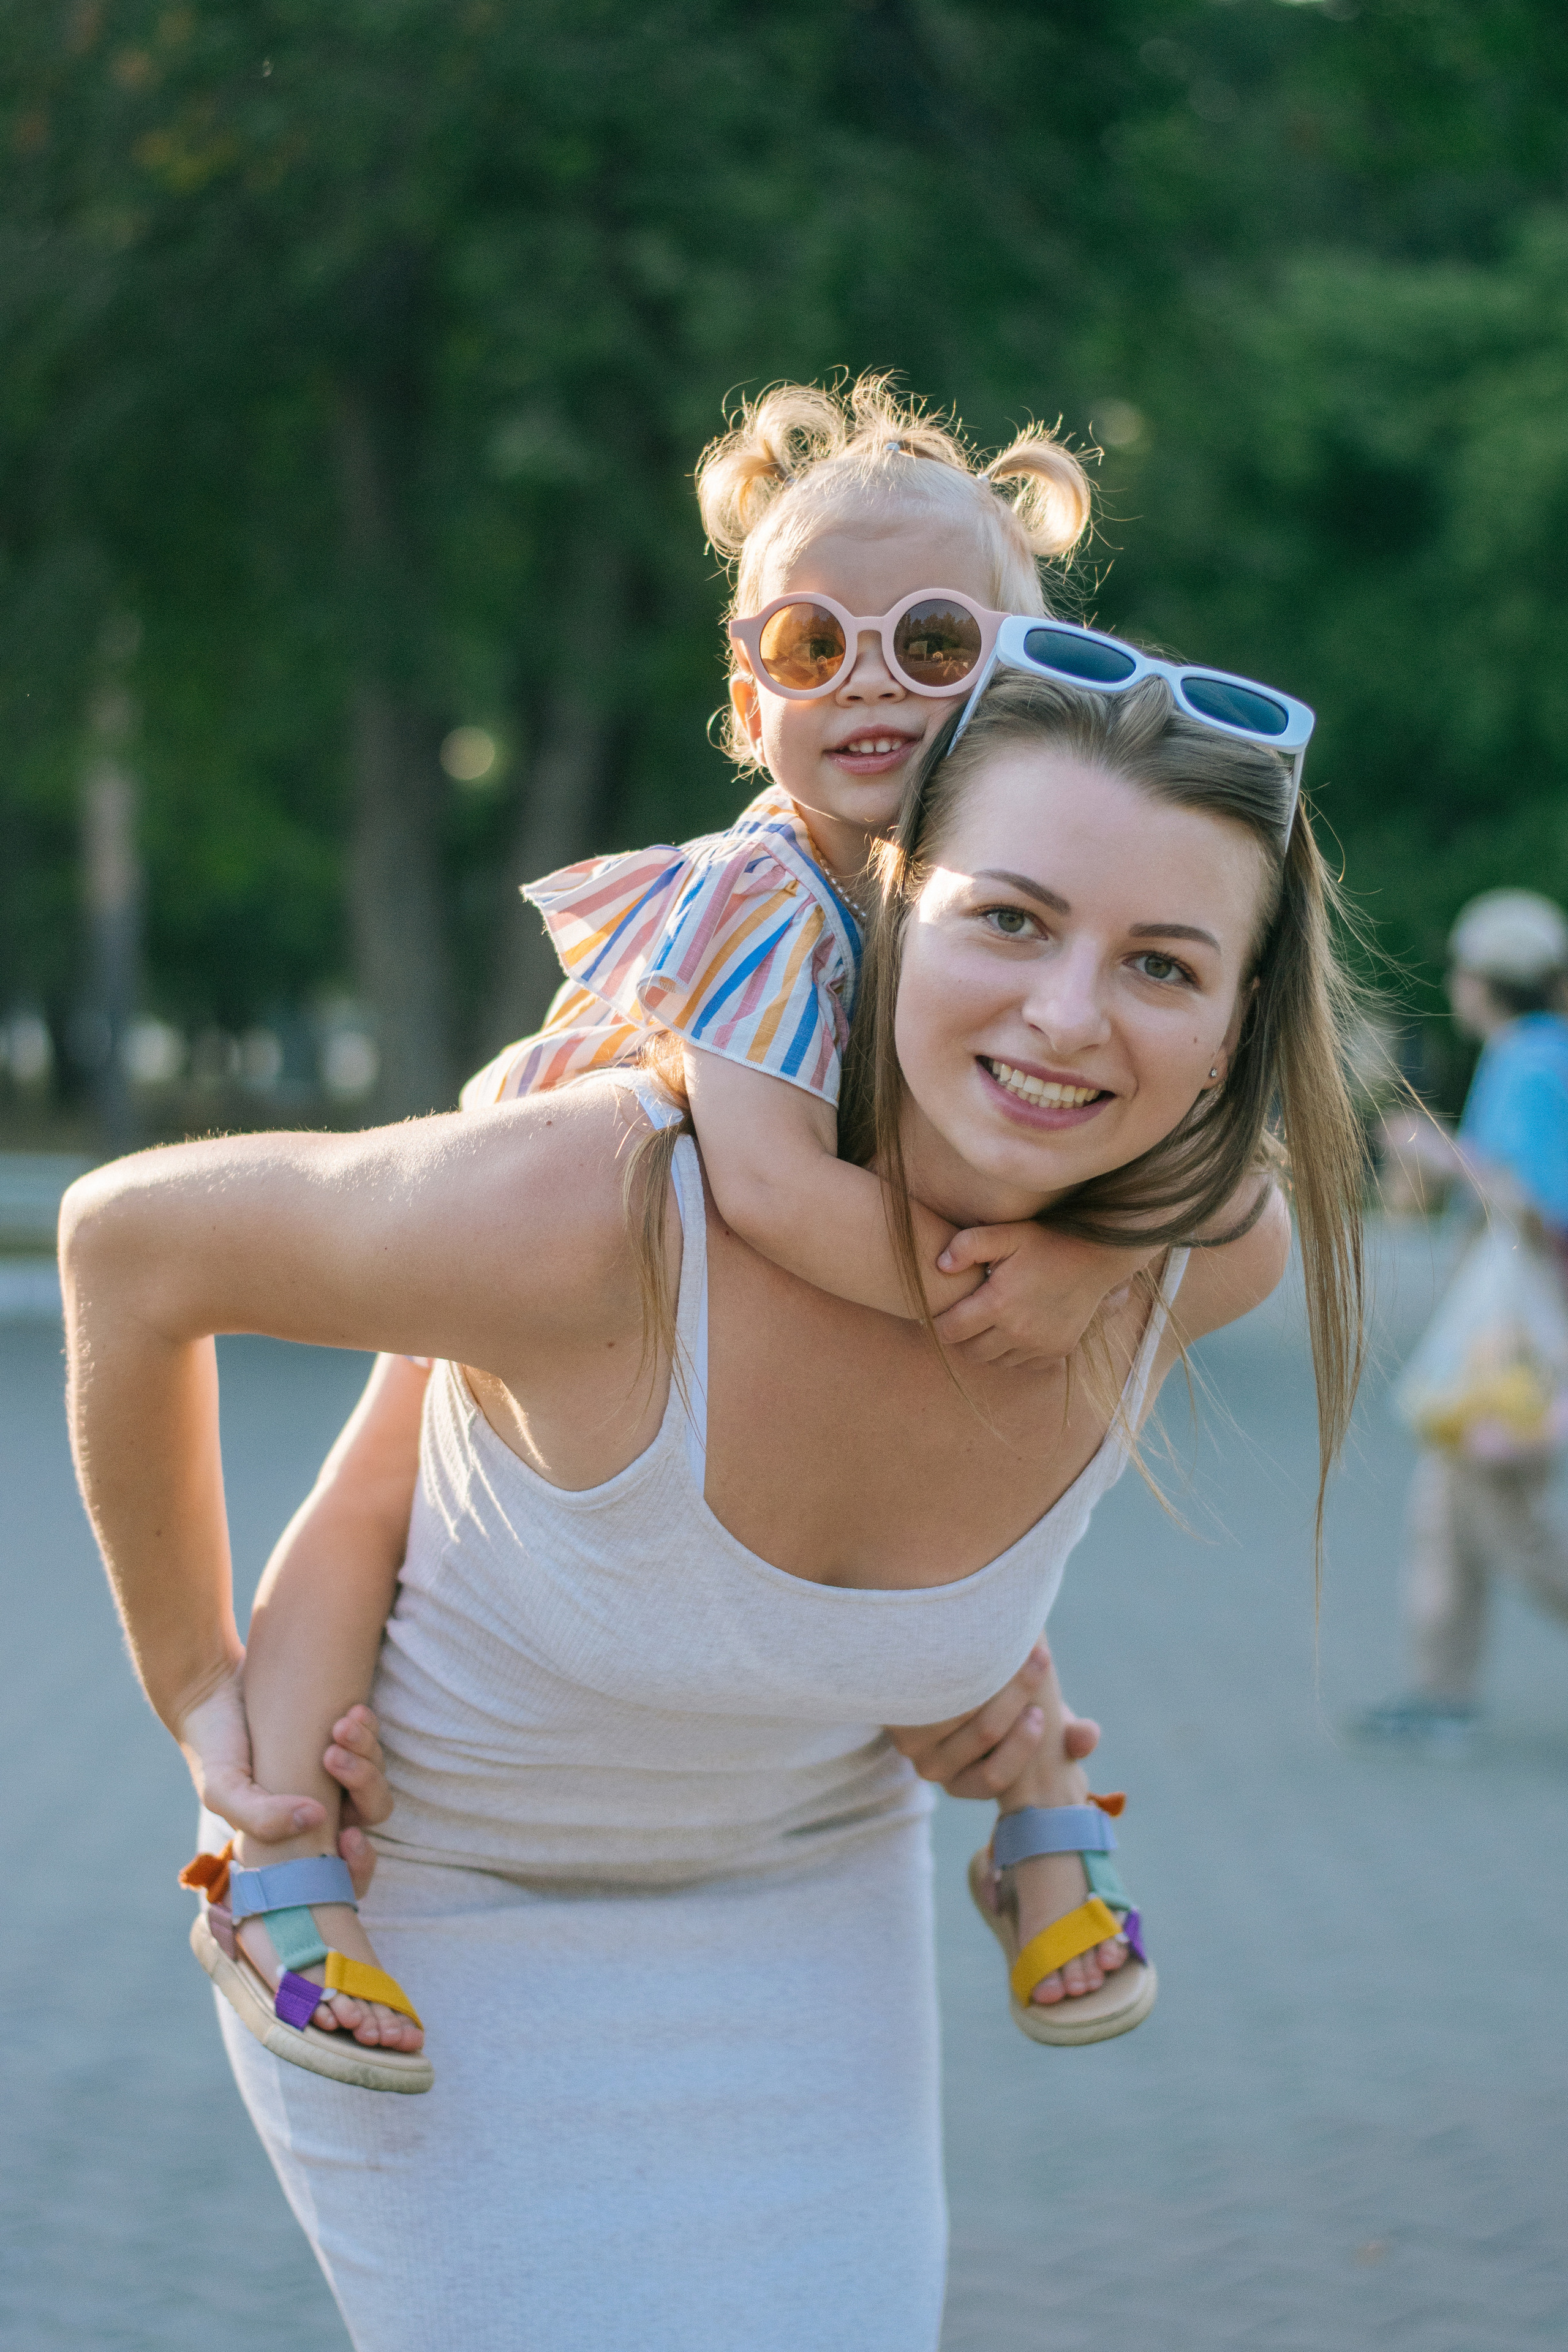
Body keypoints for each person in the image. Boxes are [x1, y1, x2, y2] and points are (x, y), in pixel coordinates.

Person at [62, 638, 1364, 2351]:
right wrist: (201, 1699)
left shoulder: (1190, 1271)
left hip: (812, 1911)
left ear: (1236, 1028)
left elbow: (1234, 1211)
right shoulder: (598, 1206)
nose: (1067, 1017)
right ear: (891, 909)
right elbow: (128, 1247)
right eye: (1010, 920)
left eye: (1164, 965)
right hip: (426, 1930)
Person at [170, 377, 1178, 2071]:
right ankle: (273, 1859)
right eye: (810, 644)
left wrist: (1093, 1254)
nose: (869, 677)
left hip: (754, 1290)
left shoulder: (1007, 915)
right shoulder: (767, 894)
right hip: (555, 1246)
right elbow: (775, 1184)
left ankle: (1040, 1808)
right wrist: (1000, 1293)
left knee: (975, 1499)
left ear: (1033, 691)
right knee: (375, 1490)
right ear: (745, 689)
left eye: (934, 643)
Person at [1359, 888, 1568, 1749]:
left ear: (1482, 981)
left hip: (1526, 1327)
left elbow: (1530, 1201)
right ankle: (1442, 1692)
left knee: (1502, 1513)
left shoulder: (1529, 1060)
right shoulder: (1542, 1051)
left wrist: (1431, 1154)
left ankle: (1443, 1692)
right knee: (1447, 1506)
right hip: (1514, 1325)